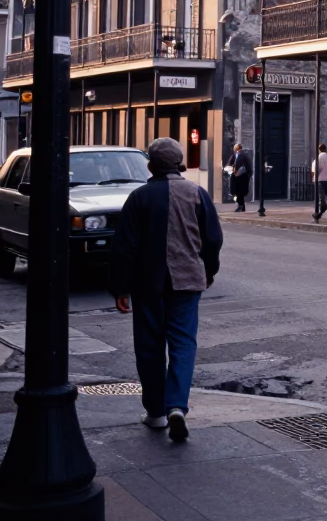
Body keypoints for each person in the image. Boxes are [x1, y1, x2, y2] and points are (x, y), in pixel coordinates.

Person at [110, 138, 223, 442]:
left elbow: (125, 247)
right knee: (183, 343)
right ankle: (177, 406)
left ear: (150, 165)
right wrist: (209, 270)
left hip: (148, 282)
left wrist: (120, 287)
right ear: (180, 163)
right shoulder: (197, 194)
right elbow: (212, 239)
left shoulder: (139, 197)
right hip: (187, 280)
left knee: (149, 345)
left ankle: (156, 412)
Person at [226, 143, 252, 212]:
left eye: (237, 148)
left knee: (240, 193)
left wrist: (248, 174)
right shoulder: (233, 156)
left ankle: (241, 206)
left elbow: (248, 167)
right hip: (234, 177)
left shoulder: (244, 157)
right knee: (235, 192)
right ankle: (241, 206)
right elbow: (230, 164)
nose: (236, 150)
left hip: (242, 178)